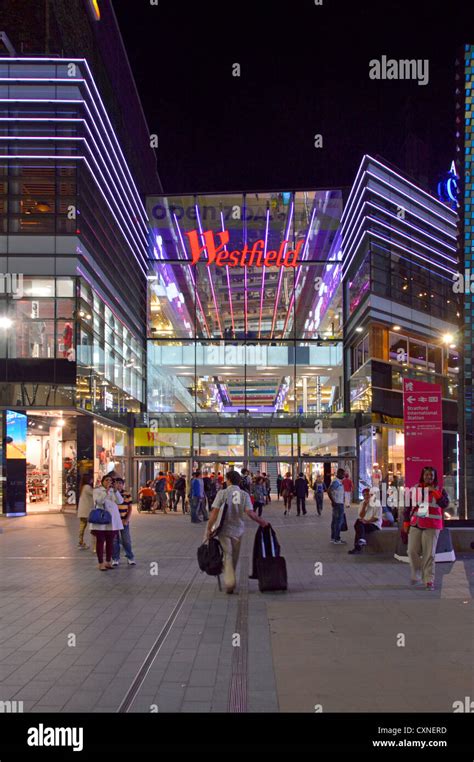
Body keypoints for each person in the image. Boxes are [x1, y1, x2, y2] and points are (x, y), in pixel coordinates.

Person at [206, 470, 269, 594]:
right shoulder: (244, 494)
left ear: (229, 479)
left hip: (223, 529)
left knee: (227, 555)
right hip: (238, 530)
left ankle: (230, 582)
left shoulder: (222, 493)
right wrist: (262, 522)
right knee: (234, 556)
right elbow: (250, 513)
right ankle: (231, 578)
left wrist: (209, 528)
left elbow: (215, 513)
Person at [405, 466, 449, 590]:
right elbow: (408, 506)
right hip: (416, 523)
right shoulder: (415, 488)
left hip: (432, 525)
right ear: (422, 476)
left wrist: (435, 492)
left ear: (434, 477)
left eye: (431, 475)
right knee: (412, 550)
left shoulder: (440, 489)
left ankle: (428, 580)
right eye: (426, 475)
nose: (429, 477)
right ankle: (417, 573)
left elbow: (444, 504)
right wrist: (406, 522)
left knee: (429, 554)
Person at [89, 475, 123, 571]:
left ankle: (108, 561)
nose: (109, 482)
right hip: (101, 519)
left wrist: (115, 491)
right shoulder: (97, 490)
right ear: (102, 481)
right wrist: (106, 492)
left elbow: (120, 501)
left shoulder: (113, 491)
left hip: (112, 520)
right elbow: (99, 502)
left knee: (110, 542)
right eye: (107, 480)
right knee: (100, 541)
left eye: (110, 480)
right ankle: (100, 563)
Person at [348, 487, 382, 554]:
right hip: (364, 523)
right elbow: (361, 516)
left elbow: (376, 518)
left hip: (374, 524)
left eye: (367, 495)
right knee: (359, 523)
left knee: (359, 526)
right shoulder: (362, 503)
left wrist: (367, 521)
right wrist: (364, 506)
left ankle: (357, 547)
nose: (366, 496)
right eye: (364, 495)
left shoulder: (377, 504)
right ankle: (361, 540)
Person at [112, 477, 136, 566]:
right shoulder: (111, 493)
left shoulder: (127, 494)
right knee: (115, 540)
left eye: (120, 483)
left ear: (123, 484)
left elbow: (129, 508)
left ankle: (130, 557)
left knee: (126, 540)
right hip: (114, 521)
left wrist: (127, 519)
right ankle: (115, 558)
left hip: (123, 521)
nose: (118, 485)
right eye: (117, 483)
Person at [328, 467, 346, 544]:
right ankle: (336, 538)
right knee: (338, 521)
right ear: (339, 473)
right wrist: (333, 501)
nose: (344, 475)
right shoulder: (336, 482)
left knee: (335, 521)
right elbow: (329, 491)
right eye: (343, 474)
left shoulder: (338, 482)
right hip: (338, 504)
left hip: (338, 503)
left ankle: (333, 537)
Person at [77, 473, 94, 549]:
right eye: (91, 478)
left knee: (82, 527)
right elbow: (94, 494)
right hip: (87, 511)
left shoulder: (82, 487)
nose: (92, 480)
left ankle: (80, 542)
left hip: (82, 510)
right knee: (92, 527)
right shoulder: (87, 487)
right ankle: (94, 545)